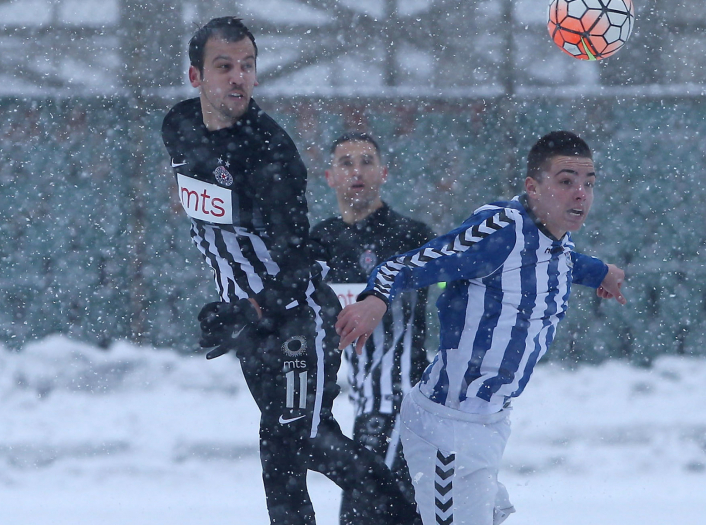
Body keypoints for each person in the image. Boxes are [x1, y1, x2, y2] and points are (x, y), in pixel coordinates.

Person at [160, 16, 417, 525]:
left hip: (296, 322)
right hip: (252, 326)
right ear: (196, 77)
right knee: (297, 449)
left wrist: (251, 307)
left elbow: (298, 264)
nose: (238, 77)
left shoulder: (269, 152)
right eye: (224, 66)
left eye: (248, 66)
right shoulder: (179, 127)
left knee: (295, 447)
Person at [335, 131, 627, 525]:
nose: (580, 194)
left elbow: (560, 262)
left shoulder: (558, 239)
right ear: (533, 187)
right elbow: (406, 264)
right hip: (446, 425)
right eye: (565, 181)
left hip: (488, 424)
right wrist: (376, 298)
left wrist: (601, 273)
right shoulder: (501, 230)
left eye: (588, 184)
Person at [310, 132, 434, 525]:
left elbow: (457, 283)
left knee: (365, 514)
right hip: (364, 404)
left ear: (383, 172)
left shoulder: (410, 236)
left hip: (402, 402)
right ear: (329, 176)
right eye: (346, 163)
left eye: (366, 161)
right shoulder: (323, 241)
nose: (357, 171)